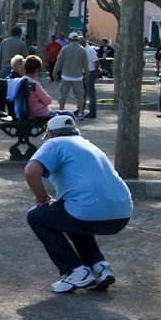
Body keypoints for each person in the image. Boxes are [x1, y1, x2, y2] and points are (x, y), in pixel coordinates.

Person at [25, 115, 133, 293]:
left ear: (50, 134)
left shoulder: (54, 143)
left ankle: (74, 270)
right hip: (122, 212)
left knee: (36, 216)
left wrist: (42, 198)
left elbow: (31, 172)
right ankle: (99, 266)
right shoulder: (89, 145)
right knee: (69, 213)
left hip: (88, 211)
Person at [53, 32, 88, 118]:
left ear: (69, 39)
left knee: (63, 95)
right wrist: (87, 74)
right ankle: (80, 113)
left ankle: (60, 112)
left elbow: (59, 62)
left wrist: (54, 72)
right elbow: (86, 64)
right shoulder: (82, 50)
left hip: (66, 76)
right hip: (78, 76)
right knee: (80, 96)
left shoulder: (64, 49)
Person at [80, 36, 100, 119]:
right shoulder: (82, 50)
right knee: (82, 92)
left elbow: (96, 62)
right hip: (83, 72)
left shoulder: (90, 50)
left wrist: (96, 70)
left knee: (90, 93)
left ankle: (92, 111)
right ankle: (80, 109)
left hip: (90, 72)